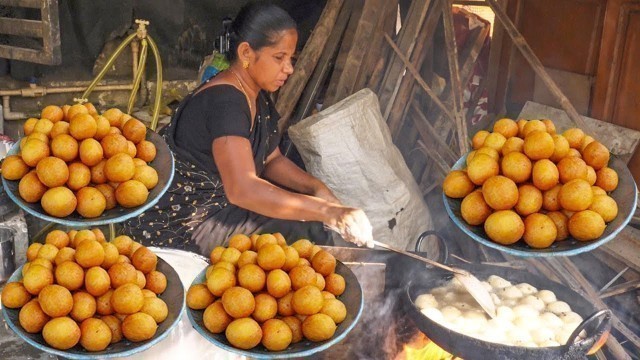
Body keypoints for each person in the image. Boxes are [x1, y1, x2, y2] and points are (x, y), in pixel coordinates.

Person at [123, 3, 373, 256]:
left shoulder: (256, 95)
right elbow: (242, 189)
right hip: (184, 224)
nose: (289, 69)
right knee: (310, 235)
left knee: (310, 225)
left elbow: (271, 159)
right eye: (279, 58)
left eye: (291, 59)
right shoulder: (226, 102)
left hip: (220, 208)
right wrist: (328, 212)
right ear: (246, 53)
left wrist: (316, 189)